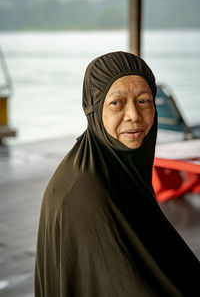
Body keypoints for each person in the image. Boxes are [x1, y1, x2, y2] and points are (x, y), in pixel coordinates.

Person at [35, 51, 200, 297]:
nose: (134, 115)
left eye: (144, 101)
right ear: (94, 110)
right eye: (116, 103)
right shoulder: (84, 192)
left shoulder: (119, 167)